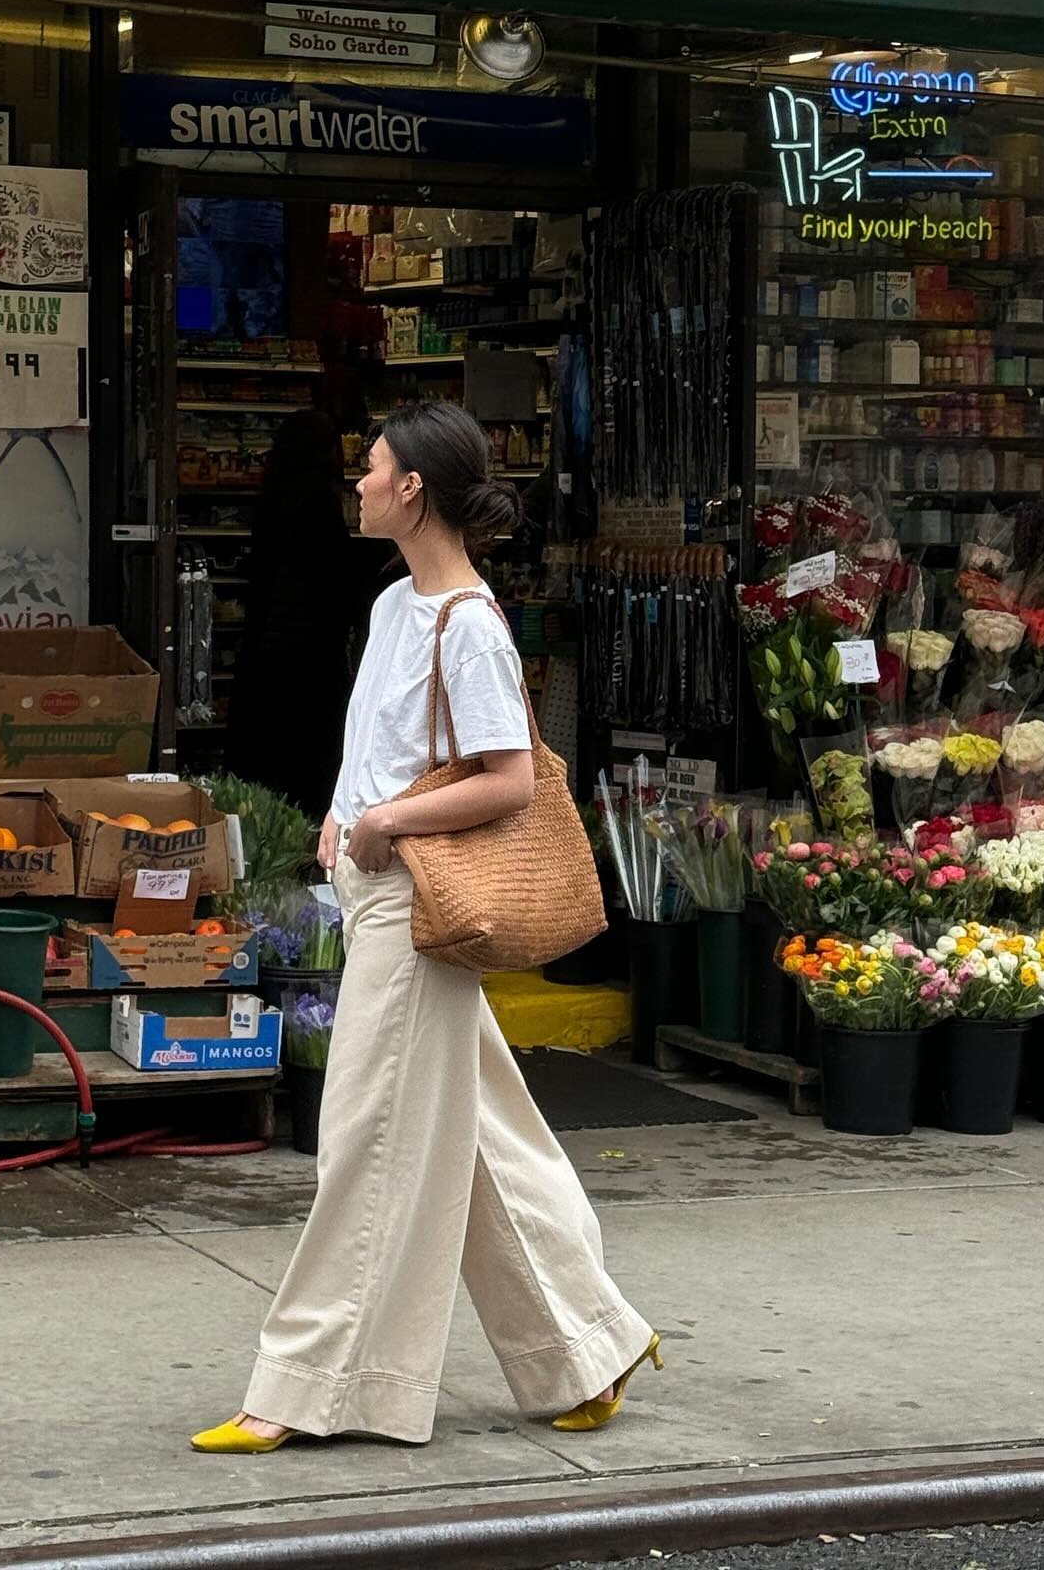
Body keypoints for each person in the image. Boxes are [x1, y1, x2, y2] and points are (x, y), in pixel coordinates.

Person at [192, 401, 662, 1454]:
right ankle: (586, 1344)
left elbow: (502, 783)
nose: (355, 483)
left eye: (370, 469)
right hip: (382, 892)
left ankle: (315, 1384)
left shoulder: (471, 626)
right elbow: (386, 749)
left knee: (366, 1138)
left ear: (412, 489)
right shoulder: (400, 605)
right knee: (479, 1137)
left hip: (421, 904)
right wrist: (343, 809)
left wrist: (388, 818)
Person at [227, 409, 357, 817]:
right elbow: (335, 582)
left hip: (266, 648)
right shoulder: (320, 505)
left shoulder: (272, 500)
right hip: (312, 654)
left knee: (266, 757)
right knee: (311, 757)